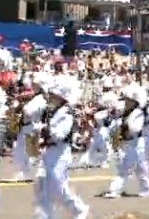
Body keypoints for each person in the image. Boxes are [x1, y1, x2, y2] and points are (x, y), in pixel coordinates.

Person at [35, 74, 89, 219]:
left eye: (54, 95)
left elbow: (59, 135)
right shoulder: (54, 112)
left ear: (61, 97)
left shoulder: (66, 114)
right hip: (50, 151)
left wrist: (45, 130)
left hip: (60, 153)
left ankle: (79, 209)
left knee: (59, 187)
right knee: (44, 187)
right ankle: (44, 215)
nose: (50, 97)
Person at [104, 83, 149, 198]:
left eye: (128, 100)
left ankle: (115, 190)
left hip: (136, 144)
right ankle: (147, 188)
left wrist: (126, 126)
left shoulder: (138, 113)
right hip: (130, 144)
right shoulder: (128, 113)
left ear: (134, 102)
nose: (126, 102)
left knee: (126, 168)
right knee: (139, 169)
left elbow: (135, 129)